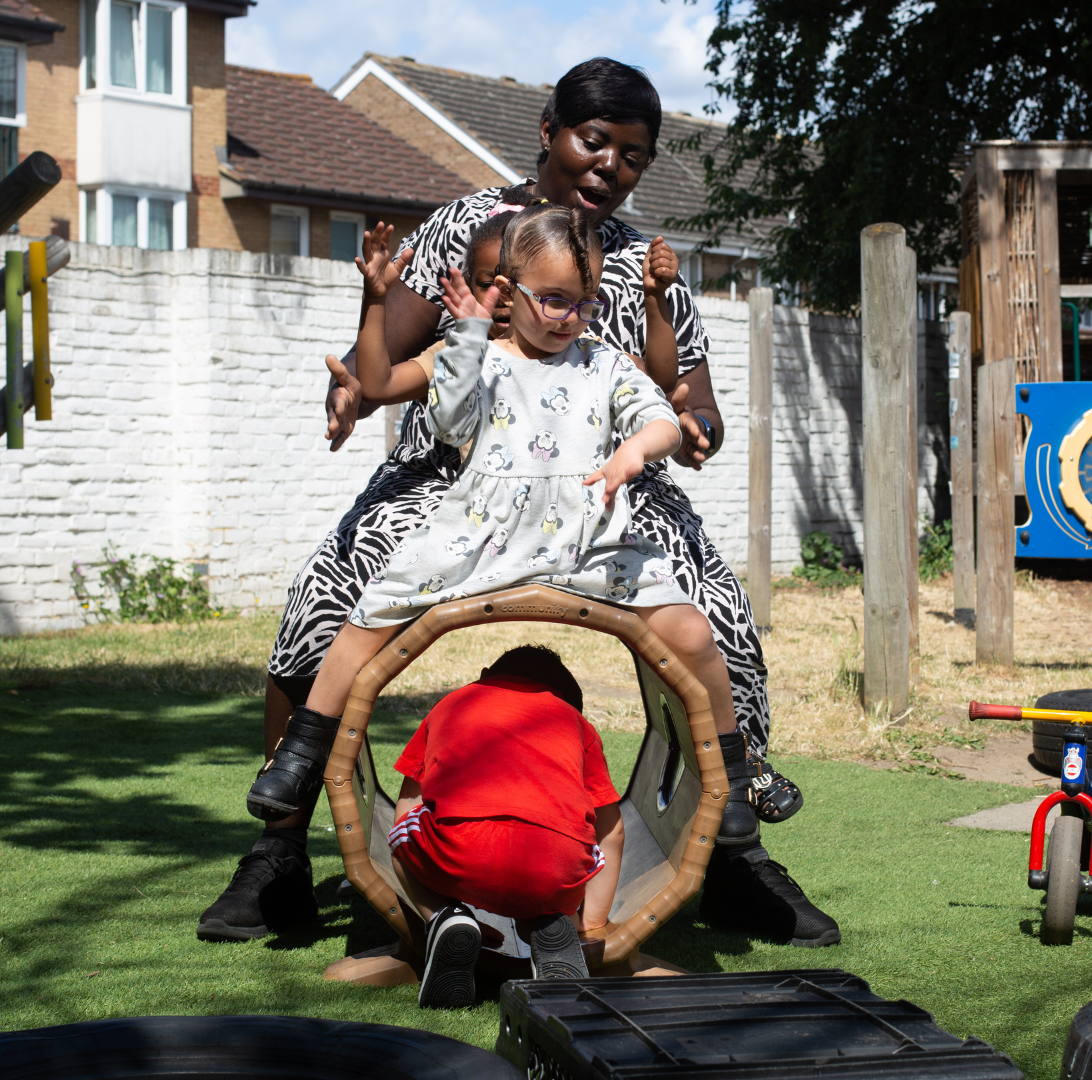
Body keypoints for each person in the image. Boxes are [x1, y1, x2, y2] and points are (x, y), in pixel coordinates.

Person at [198, 57, 832, 950]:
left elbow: (693, 391)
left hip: (611, 482)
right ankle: (279, 852)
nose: (611, 164)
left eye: (634, 155)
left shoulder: (644, 261)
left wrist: (695, 425)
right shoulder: (466, 221)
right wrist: (355, 388)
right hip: (457, 470)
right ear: (548, 132)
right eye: (593, 141)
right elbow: (393, 351)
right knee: (326, 598)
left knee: (717, 612)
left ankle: (734, 851)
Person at [248, 204, 743, 820]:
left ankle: (735, 774)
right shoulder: (475, 352)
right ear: (513, 290)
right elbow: (452, 420)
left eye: (584, 304)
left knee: (695, 634)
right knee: (367, 616)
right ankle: (301, 752)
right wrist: (466, 338)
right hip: (478, 533)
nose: (571, 319)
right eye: (555, 300)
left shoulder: (603, 361)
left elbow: (662, 417)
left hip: (586, 540)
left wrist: (634, 451)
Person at [389, 644, 622, 1008]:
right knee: (577, 843)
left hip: (460, 857)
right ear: (563, 699)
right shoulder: (576, 724)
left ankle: (444, 918)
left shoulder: (451, 704)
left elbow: (409, 803)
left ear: (484, 676)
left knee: (402, 836)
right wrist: (590, 923)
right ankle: (554, 926)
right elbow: (613, 831)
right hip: (552, 867)